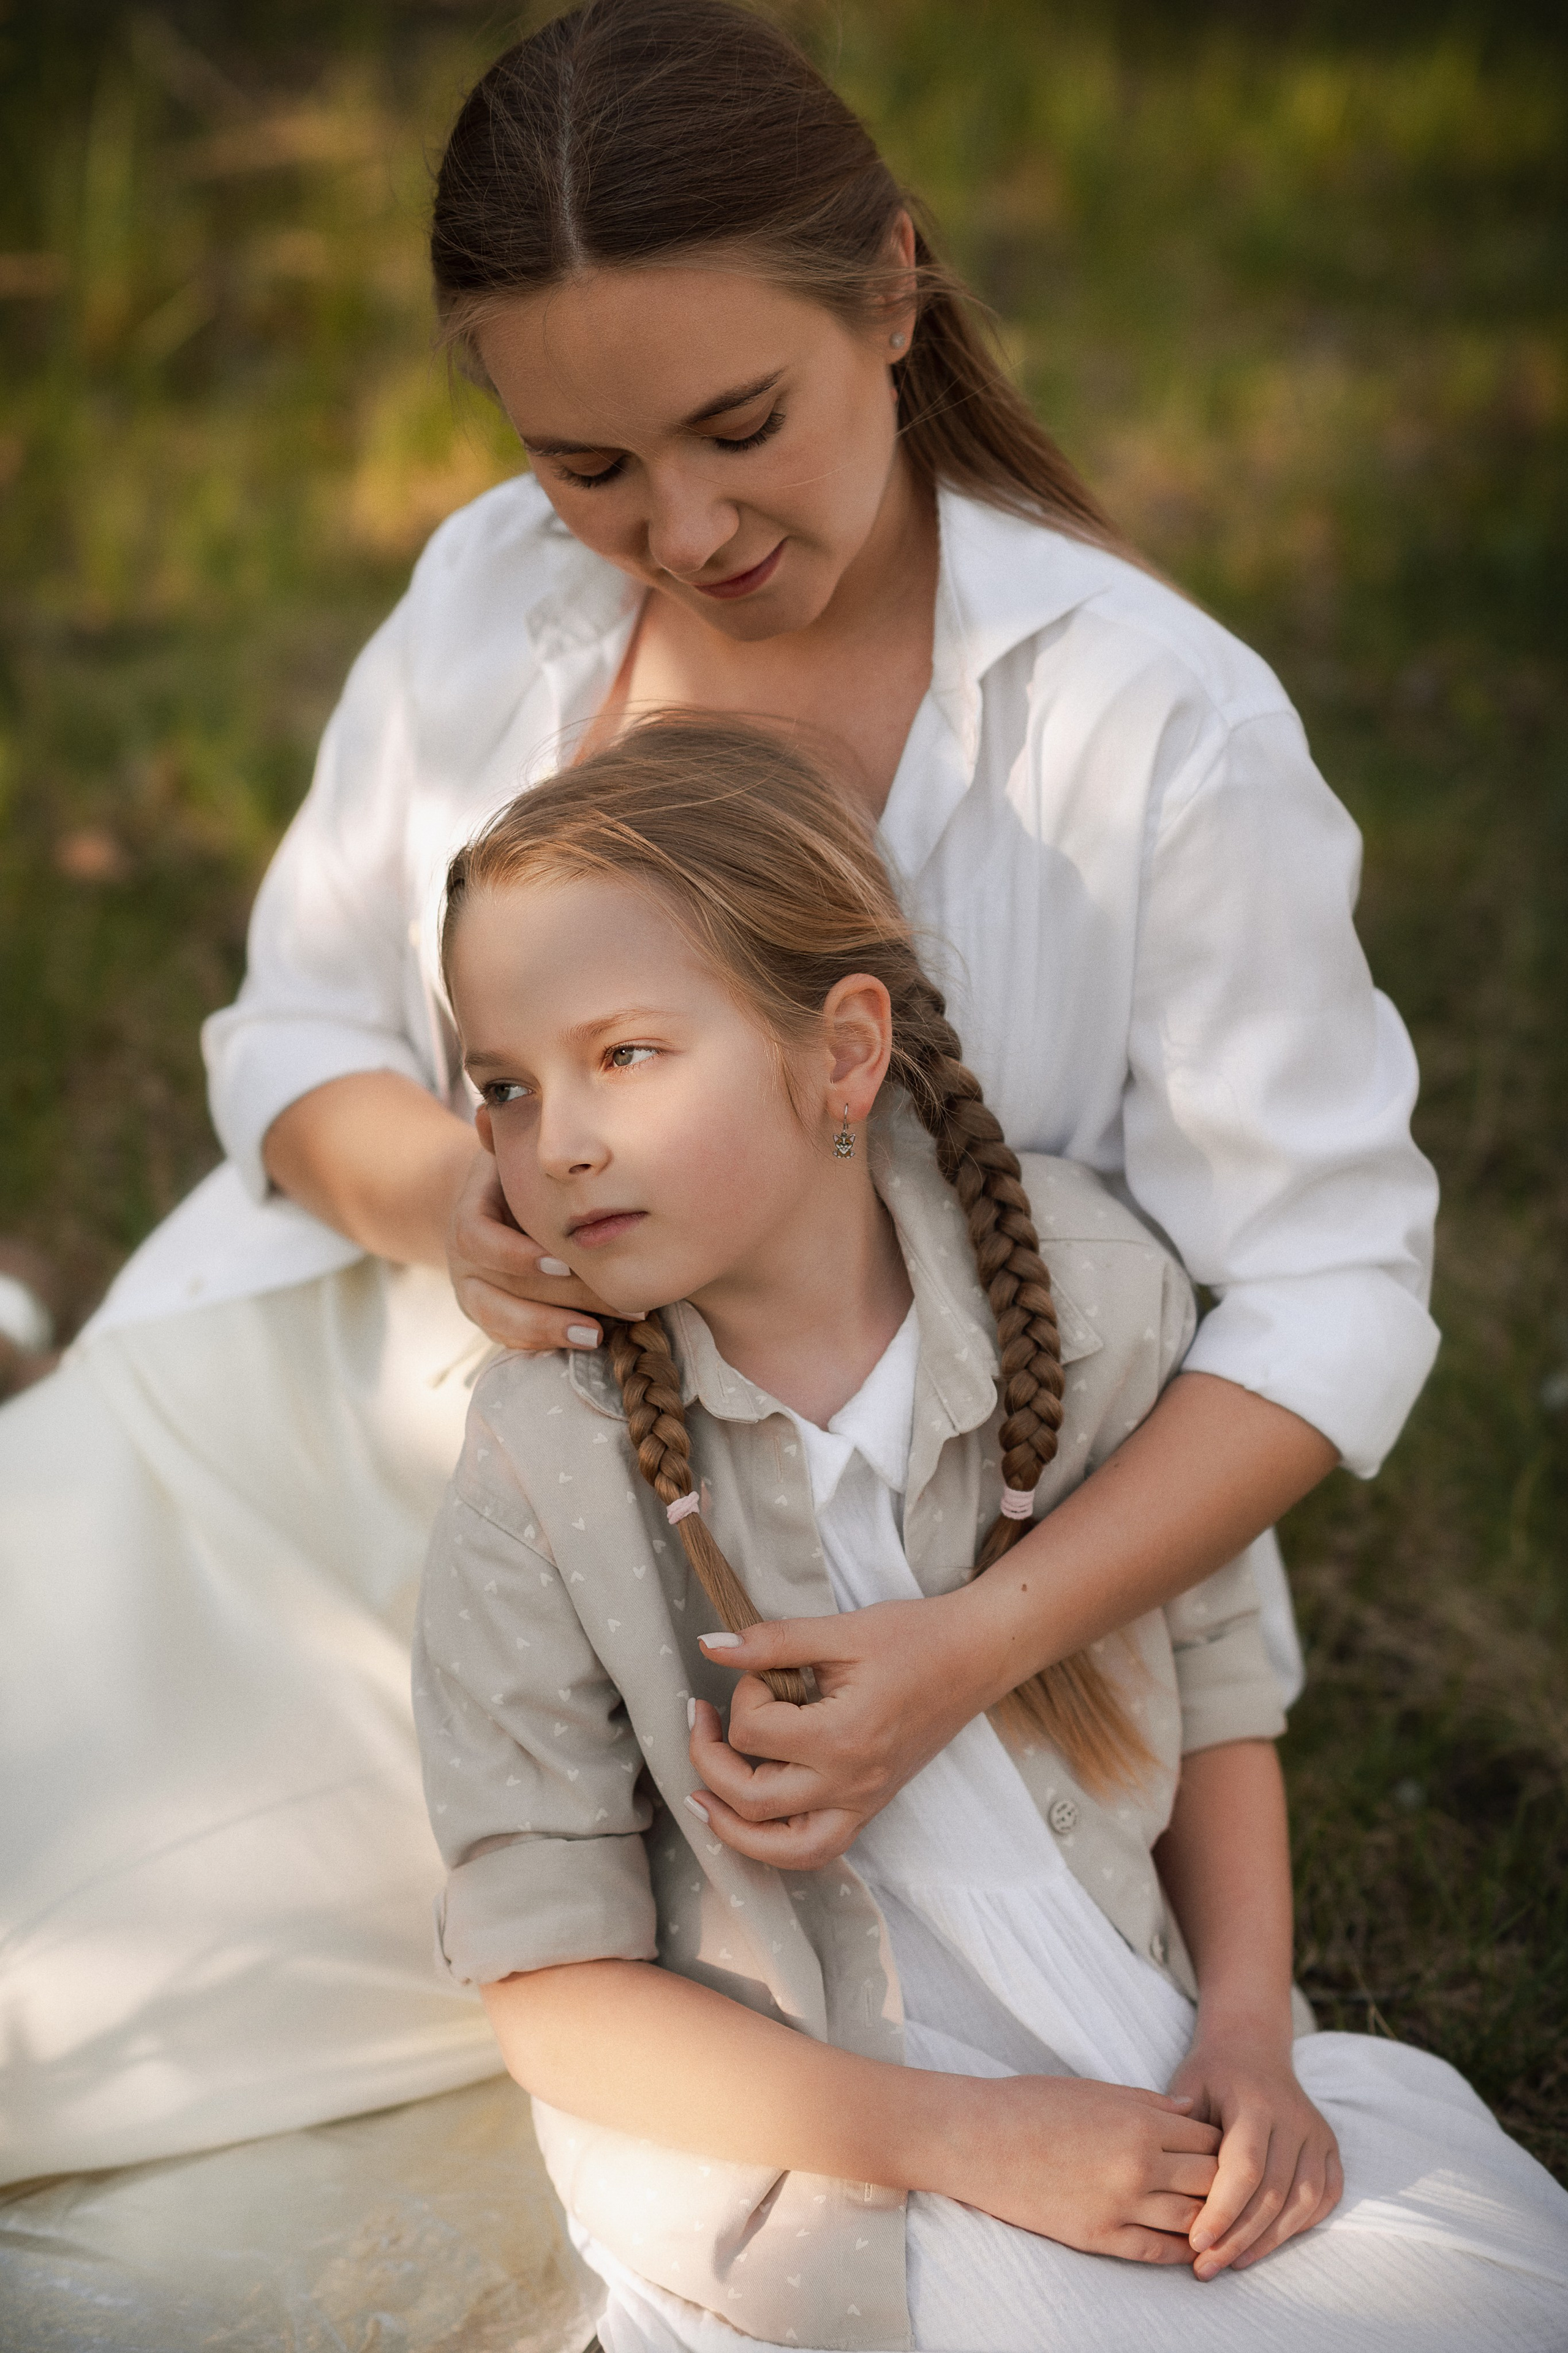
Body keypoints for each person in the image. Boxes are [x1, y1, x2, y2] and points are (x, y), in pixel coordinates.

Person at [0, 0, 1438, 2181]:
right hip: (365, 1424)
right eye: (587, 466)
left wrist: (975, 1644)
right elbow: (288, 1037)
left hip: (820, 1552)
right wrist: (449, 1207)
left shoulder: (1151, 733)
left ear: (893, 284)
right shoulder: (493, 607)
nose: (679, 528)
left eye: (737, 423)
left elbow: (1329, 1293)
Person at [417, 719, 1568, 2353]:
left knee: (1487, 2290)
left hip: (1142, 2030)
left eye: (625, 1055)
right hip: (821, 2147)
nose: (560, 1142)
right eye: (508, 1087)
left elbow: (1221, 1687)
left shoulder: (1088, 1294)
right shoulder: (544, 1455)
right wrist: (977, 2139)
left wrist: (1248, 2034)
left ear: (842, 1053)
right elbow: (554, 1995)